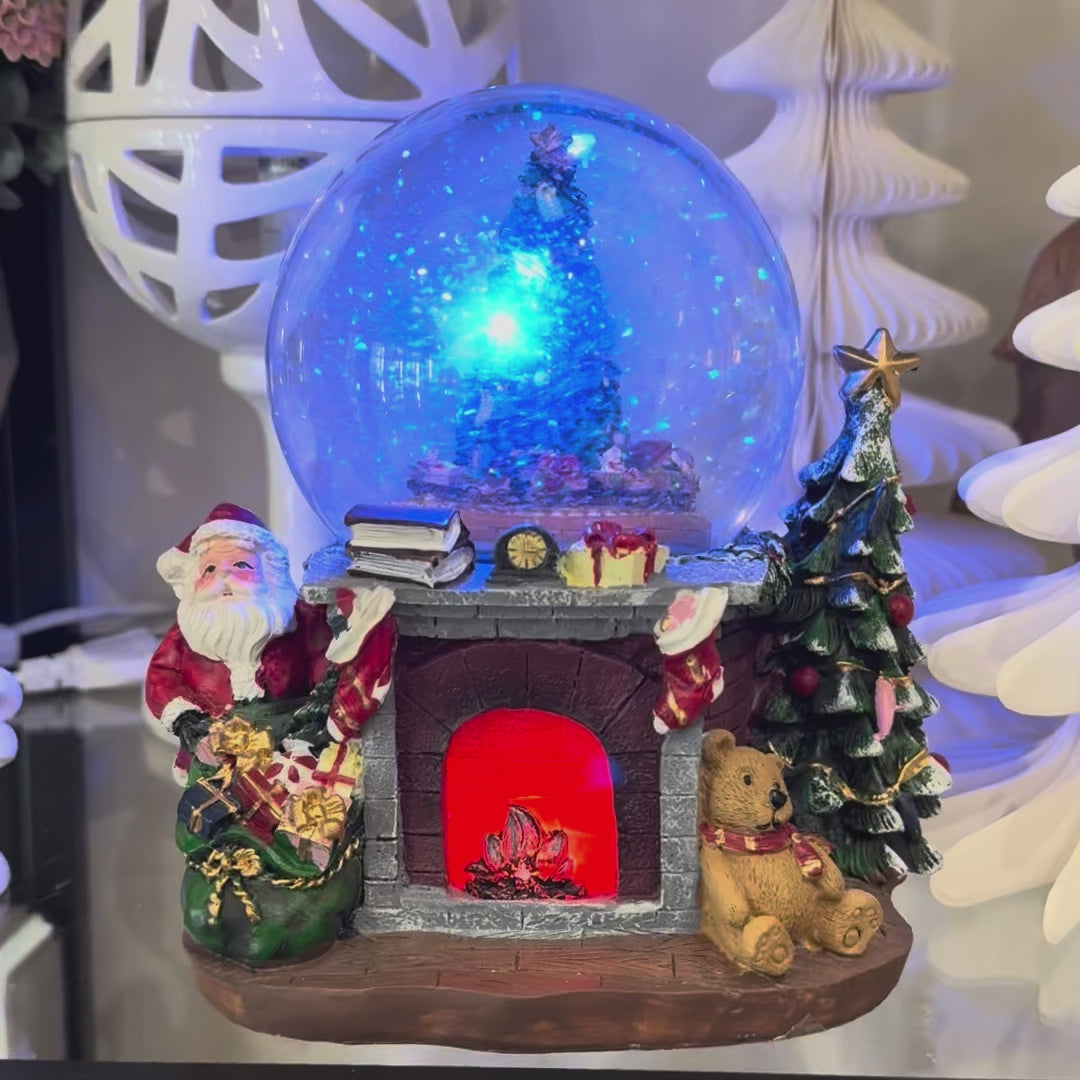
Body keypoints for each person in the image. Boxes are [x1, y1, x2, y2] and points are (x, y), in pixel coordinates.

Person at [145, 503, 395, 779]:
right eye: (210, 569)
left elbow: (325, 665)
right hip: (214, 751)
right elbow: (162, 678)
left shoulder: (297, 620)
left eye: (241, 565)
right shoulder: (188, 633)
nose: (224, 577)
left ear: (269, 573)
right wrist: (190, 724)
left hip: (287, 747)